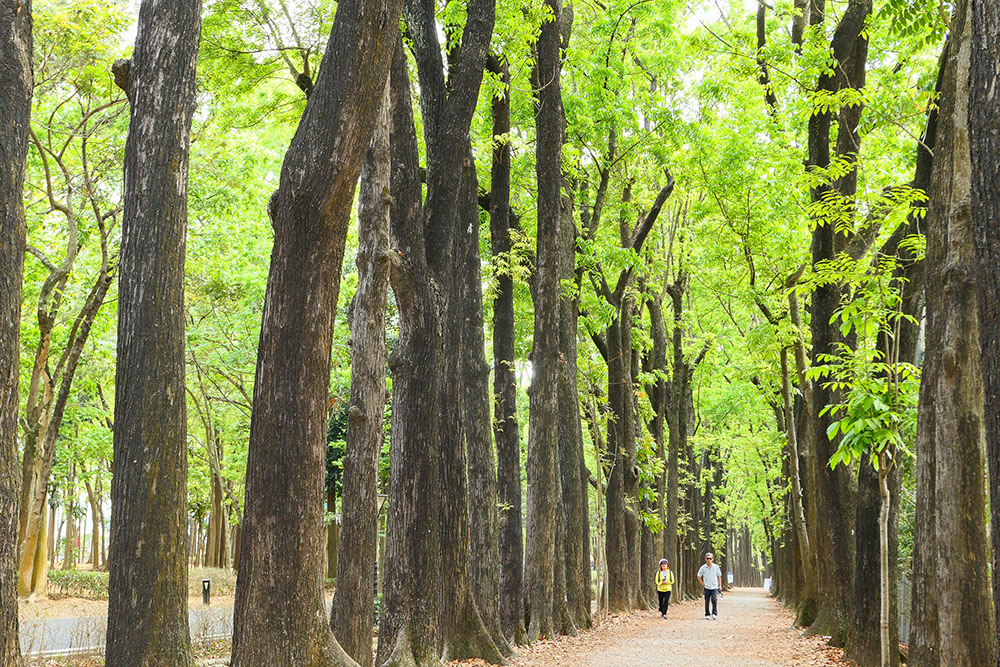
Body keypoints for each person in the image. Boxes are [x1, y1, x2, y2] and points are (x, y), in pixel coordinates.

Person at [697, 552, 723, 620]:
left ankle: (714, 613)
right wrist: (702, 583)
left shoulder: (716, 567)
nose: (709, 560)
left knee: (714, 600)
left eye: (710, 558)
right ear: (705, 559)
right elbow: (698, 576)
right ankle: (707, 614)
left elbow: (719, 576)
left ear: (712, 559)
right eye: (708, 558)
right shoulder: (703, 567)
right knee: (707, 601)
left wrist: (719, 585)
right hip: (707, 587)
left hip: (714, 586)